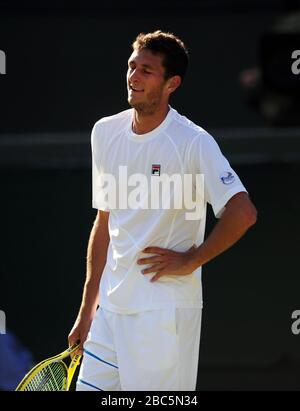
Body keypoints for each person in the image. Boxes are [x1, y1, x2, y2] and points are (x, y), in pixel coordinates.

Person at [68, 30, 257, 391]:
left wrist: (191, 260)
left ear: (172, 83)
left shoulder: (193, 142)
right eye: (131, 66)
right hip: (109, 314)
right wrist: (87, 309)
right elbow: (105, 222)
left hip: (162, 314)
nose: (134, 77)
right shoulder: (104, 132)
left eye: (147, 71)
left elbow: (243, 212)